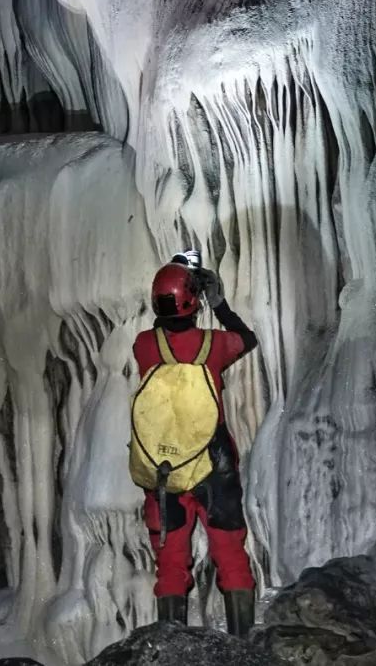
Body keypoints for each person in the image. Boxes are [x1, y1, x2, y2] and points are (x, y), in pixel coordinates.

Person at [130, 255, 258, 635]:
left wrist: (174, 280)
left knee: (170, 564)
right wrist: (217, 302)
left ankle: (171, 648)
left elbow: (159, 332)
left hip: (163, 472)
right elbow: (246, 338)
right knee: (231, 555)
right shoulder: (214, 345)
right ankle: (243, 650)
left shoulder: (143, 345)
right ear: (193, 302)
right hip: (214, 468)